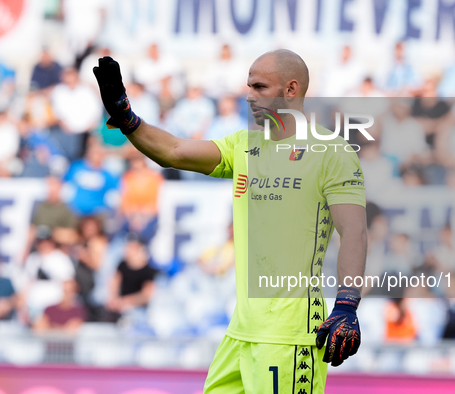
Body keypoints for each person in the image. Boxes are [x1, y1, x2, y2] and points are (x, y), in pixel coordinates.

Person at [93, 49, 367, 393]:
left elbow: (354, 230)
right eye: (248, 86)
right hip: (240, 333)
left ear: (292, 89)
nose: (249, 95)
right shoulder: (244, 145)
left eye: (260, 86)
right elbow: (174, 151)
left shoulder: (332, 153)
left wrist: (347, 303)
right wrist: (126, 116)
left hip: (290, 335)